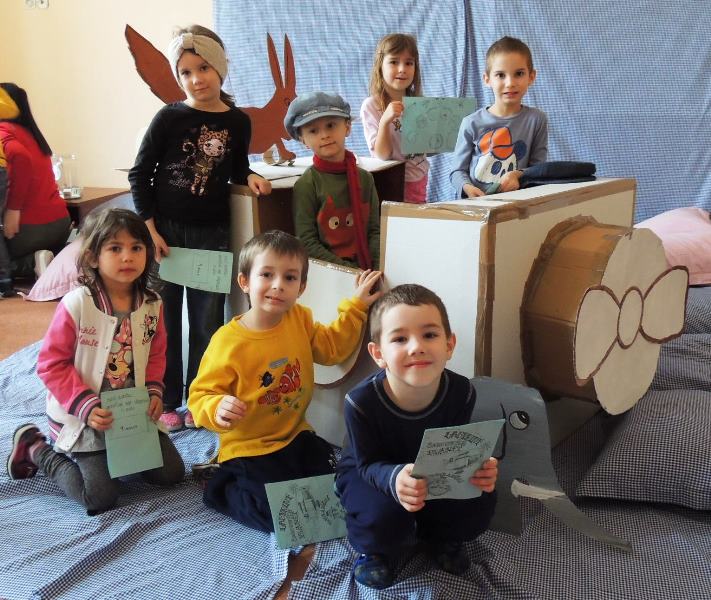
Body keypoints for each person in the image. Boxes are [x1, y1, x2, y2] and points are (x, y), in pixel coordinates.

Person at [187, 230, 382, 532]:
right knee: (280, 515)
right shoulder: (228, 341)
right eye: (267, 275)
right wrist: (216, 406)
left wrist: (356, 306)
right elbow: (199, 396)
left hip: (295, 435)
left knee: (335, 488)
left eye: (289, 278)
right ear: (244, 282)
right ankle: (220, 486)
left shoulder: (299, 318)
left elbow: (332, 348)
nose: (278, 285)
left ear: (301, 287)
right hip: (249, 447)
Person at [128, 24, 272, 432]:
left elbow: (237, 167)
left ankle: (199, 396)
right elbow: (140, 174)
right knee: (164, 321)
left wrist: (251, 176)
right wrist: (150, 230)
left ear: (220, 67)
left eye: (203, 68)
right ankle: (166, 397)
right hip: (166, 236)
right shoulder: (169, 117)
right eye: (186, 72)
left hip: (212, 235)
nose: (196, 79)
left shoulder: (238, 122)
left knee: (208, 322)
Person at [6, 208, 185, 515]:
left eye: (136, 248)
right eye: (115, 248)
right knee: (99, 497)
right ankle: (36, 448)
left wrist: (154, 391)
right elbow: (51, 364)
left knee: (171, 474)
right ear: (92, 257)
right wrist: (85, 406)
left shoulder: (152, 304)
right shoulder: (77, 304)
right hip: (84, 415)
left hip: (131, 413)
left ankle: (119, 455)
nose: (127, 257)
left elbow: (156, 353)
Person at [335, 284, 499, 589]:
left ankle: (442, 537)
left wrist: (478, 468)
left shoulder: (462, 392)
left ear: (449, 345)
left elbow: (456, 448)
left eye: (430, 335)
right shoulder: (360, 402)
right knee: (382, 516)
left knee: (480, 495)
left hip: (429, 469)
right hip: (370, 471)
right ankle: (374, 552)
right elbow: (365, 464)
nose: (416, 347)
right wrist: (394, 478)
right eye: (400, 339)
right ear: (378, 354)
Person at [285, 91, 380, 270]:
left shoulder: (365, 179)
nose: (324, 135)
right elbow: (307, 242)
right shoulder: (307, 184)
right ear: (303, 139)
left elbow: (375, 230)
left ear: (347, 127)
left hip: (369, 270)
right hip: (330, 273)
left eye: (330, 125)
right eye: (313, 130)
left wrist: (375, 268)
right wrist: (350, 272)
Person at [450, 36, 548, 198]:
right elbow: (457, 171)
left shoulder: (537, 120)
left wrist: (517, 174)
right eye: (501, 75)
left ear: (531, 77)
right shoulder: (471, 123)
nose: (510, 83)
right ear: (487, 79)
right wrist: (467, 187)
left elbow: (539, 169)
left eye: (519, 74)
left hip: (518, 204)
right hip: (476, 205)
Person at [0, 83, 71, 295]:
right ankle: (53, 257)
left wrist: (13, 209)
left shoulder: (3, 131)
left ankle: (33, 262)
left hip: (29, 228)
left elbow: (20, 157)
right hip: (59, 223)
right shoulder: (32, 134)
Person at [361, 33, 429, 204]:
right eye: (393, 62)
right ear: (380, 66)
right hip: (391, 183)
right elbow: (382, 155)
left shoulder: (420, 104)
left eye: (409, 63)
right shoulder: (371, 105)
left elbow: (425, 148)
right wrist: (385, 121)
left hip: (418, 178)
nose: (402, 69)